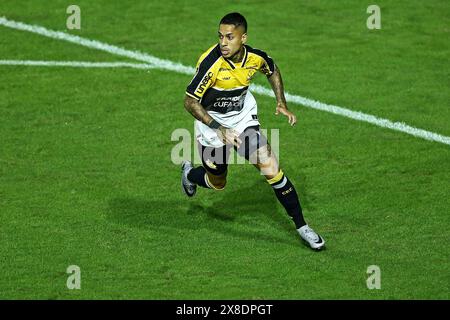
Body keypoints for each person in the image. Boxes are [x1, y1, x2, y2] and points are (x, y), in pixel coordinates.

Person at [181, 12, 325, 250]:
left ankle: (303, 227)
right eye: (220, 37)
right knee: (217, 182)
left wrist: (281, 102)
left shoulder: (254, 58)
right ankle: (189, 174)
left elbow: (272, 69)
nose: (223, 43)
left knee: (272, 169)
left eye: (230, 37)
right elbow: (189, 102)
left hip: (242, 118)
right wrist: (219, 128)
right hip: (212, 126)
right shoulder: (212, 64)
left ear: (243, 38)